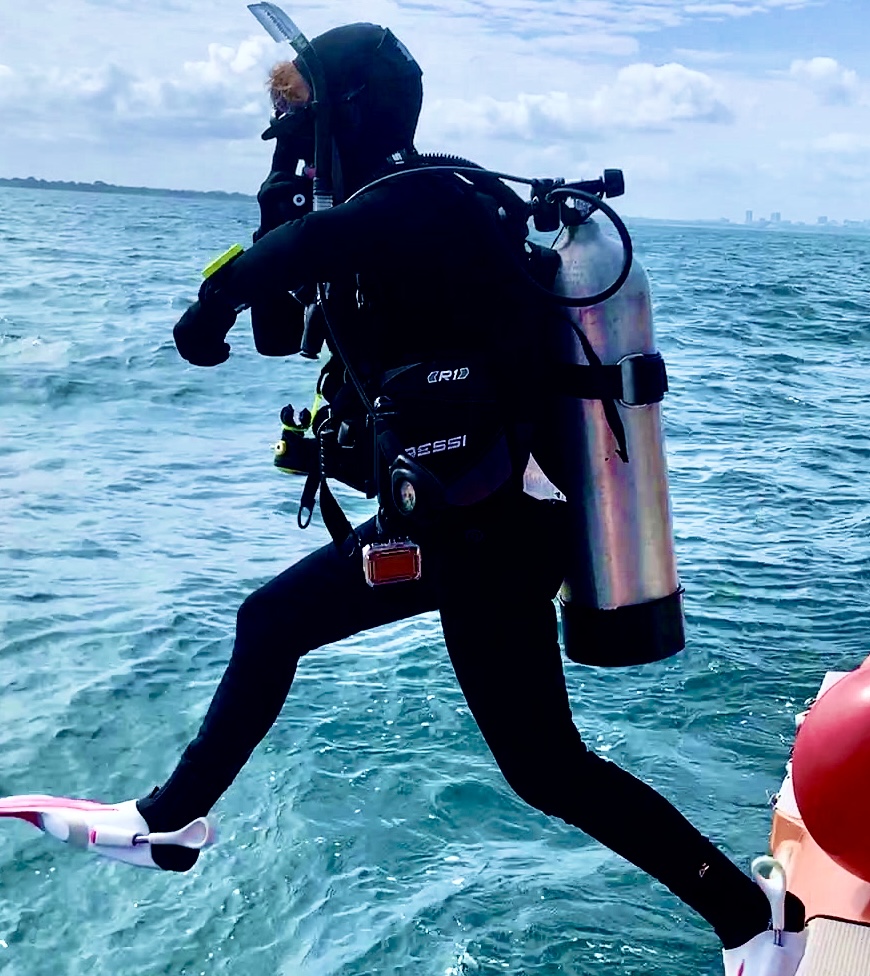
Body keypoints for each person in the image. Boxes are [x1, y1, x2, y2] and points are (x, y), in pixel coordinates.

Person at [130, 23, 805, 976]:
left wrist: (212, 298)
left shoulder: (432, 200)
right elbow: (282, 327)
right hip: (458, 523)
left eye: (297, 118)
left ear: (349, 115)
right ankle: (174, 820)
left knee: (529, 758)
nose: (286, 136)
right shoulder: (368, 211)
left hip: (499, 528)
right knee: (529, 758)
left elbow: (304, 254)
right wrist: (273, 198)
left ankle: (752, 919)